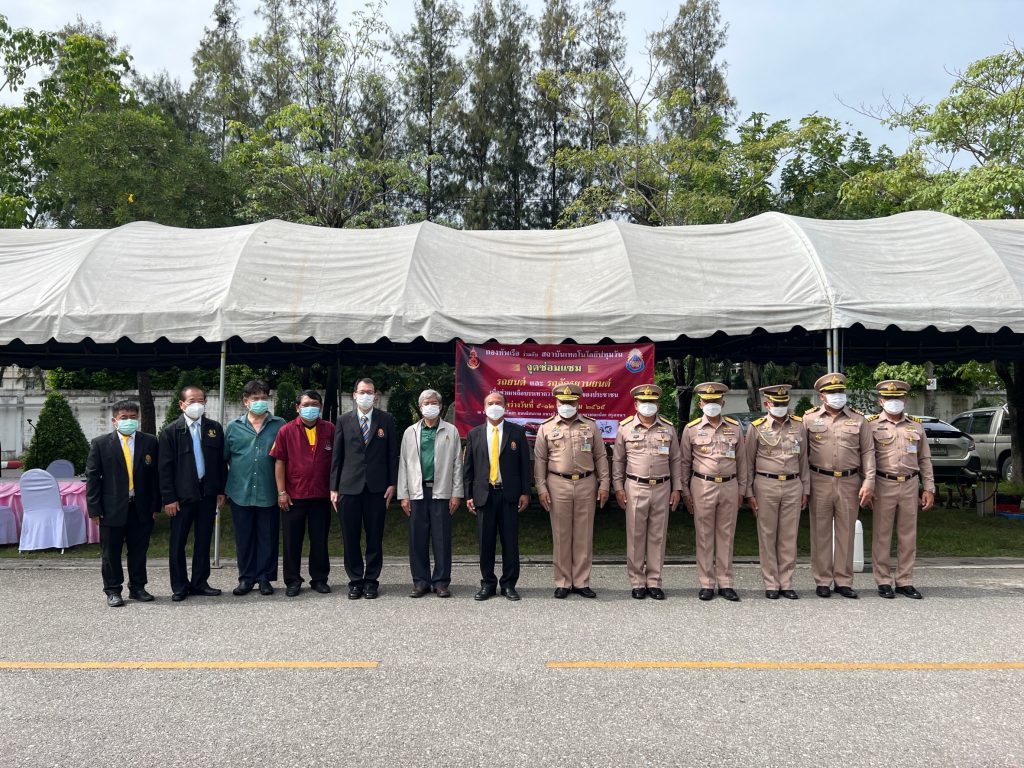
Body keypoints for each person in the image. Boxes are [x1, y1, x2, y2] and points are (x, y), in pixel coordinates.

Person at [534, 383, 610, 599]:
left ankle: (581, 581)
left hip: (587, 483)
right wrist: (541, 488)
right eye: (563, 402)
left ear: (578, 403)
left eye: (571, 402)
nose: (567, 406)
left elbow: (600, 457)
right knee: (561, 534)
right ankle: (563, 582)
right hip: (558, 483)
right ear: (556, 403)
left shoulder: (590, 426)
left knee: (584, 534)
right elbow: (540, 460)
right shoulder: (546, 427)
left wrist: (604, 484)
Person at [804, 372, 875, 599]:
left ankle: (843, 581)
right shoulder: (808, 419)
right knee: (820, 532)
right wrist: (805, 486)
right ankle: (823, 580)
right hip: (820, 480)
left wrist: (869, 480)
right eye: (833, 393)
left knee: (846, 531)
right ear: (822, 396)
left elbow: (868, 452)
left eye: (840, 392)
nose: (838, 396)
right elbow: (801, 455)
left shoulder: (859, 420)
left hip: (849, 481)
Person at [85, 400, 161, 607]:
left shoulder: (150, 442)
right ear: (114, 420)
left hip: (141, 506)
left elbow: (156, 476)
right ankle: (112, 590)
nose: (129, 421)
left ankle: (137, 587)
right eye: (124, 418)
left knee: (138, 550)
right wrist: (94, 508)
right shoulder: (100, 443)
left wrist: (156, 506)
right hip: (111, 508)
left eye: (133, 417)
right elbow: (92, 478)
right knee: (111, 552)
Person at [612, 384, 683, 600]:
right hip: (635, 487)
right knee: (635, 535)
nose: (648, 406)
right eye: (644, 402)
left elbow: (676, 460)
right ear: (636, 404)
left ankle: (654, 581)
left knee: (658, 536)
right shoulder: (625, 428)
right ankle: (637, 582)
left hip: (663, 487)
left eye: (652, 402)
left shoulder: (668, 428)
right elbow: (618, 460)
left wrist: (677, 488)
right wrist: (618, 487)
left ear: (658, 404)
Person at [331, 378, 400, 600]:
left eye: (369, 392)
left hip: (377, 488)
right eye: (362, 391)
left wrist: (393, 483)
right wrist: (333, 487)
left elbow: (392, 454)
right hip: (348, 487)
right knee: (350, 537)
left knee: (374, 536)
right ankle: (355, 581)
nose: (366, 395)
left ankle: (371, 581)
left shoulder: (386, 419)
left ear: (375, 395)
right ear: (354, 395)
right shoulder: (343, 420)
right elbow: (337, 456)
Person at [679, 382, 748, 601]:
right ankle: (707, 583)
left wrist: (742, 490)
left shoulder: (734, 428)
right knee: (704, 535)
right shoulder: (691, 430)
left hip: (729, 485)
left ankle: (726, 583)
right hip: (702, 485)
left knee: (726, 535)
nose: (712, 405)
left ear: (723, 402)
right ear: (700, 403)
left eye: (716, 401)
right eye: (708, 401)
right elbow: (684, 463)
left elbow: (743, 463)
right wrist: (685, 493)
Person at [867, 379, 935, 599]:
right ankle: (884, 580)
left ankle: (905, 580)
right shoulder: (871, 425)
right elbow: (865, 459)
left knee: (908, 535)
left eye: (898, 398)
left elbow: (924, 458)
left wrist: (929, 488)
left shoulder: (915, 426)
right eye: (889, 399)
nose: (893, 402)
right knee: (882, 535)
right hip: (883, 483)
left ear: (904, 400)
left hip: (910, 484)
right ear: (881, 401)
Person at [159, 385, 227, 602]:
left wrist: (221, 491)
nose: (197, 405)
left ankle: (200, 582)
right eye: (191, 401)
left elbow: (220, 463)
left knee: (203, 539)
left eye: (201, 400)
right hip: (181, 498)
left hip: (207, 495)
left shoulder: (214, 428)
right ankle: (179, 585)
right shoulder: (171, 431)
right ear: (181, 405)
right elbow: (165, 469)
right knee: (178, 542)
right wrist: (169, 498)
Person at [464, 391, 530, 601]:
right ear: (484, 407)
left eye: (498, 403)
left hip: (509, 495)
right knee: (486, 543)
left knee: (510, 542)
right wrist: (468, 495)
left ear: (506, 406)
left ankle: (509, 584)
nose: (494, 406)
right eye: (490, 403)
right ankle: (488, 584)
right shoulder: (474, 433)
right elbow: (469, 468)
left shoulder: (517, 432)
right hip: (484, 495)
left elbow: (524, 466)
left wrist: (526, 492)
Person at [744, 384, 809, 600]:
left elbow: (804, 461)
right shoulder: (757, 427)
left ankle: (786, 582)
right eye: (776, 404)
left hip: (793, 484)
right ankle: (771, 582)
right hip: (765, 484)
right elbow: (748, 463)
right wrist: (749, 492)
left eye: (784, 403)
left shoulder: (799, 426)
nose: (781, 407)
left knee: (789, 536)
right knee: (767, 535)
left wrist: (805, 488)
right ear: (767, 404)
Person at [397, 390, 463, 598]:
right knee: (417, 538)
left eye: (434, 402)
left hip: (441, 491)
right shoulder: (410, 432)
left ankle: (441, 582)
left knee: (441, 538)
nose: (430, 406)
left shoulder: (450, 431)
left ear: (441, 406)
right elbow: (403, 464)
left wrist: (456, 493)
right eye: (426, 403)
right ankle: (420, 582)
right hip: (417, 492)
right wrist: (403, 495)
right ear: (420, 406)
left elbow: (457, 464)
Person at [270, 389, 336, 597]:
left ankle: (319, 579)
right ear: (297, 407)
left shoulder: (330, 429)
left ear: (321, 407)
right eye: (306, 405)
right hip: (294, 496)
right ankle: (292, 580)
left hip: (321, 495)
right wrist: (281, 492)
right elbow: (280, 462)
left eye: (315, 404)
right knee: (292, 541)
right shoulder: (286, 430)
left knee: (320, 540)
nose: (310, 408)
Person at [224, 380, 286, 597]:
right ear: (245, 402)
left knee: (267, 536)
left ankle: (265, 579)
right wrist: (222, 492)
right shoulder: (233, 427)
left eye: (263, 398)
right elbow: (225, 458)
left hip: (268, 491)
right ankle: (246, 578)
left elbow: (285, 459)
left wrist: (282, 491)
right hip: (240, 492)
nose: (260, 402)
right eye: (255, 399)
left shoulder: (279, 425)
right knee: (244, 538)